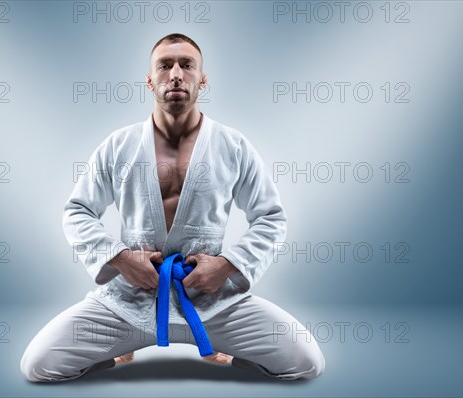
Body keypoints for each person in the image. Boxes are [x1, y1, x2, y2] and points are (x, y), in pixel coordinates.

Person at [20, 33, 325, 382]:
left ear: (202, 79)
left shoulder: (232, 145)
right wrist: (122, 259)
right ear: (150, 80)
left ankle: (224, 351)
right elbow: (77, 211)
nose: (176, 74)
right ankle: (118, 353)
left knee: (306, 361)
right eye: (165, 66)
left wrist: (225, 267)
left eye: (187, 65)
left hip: (211, 299)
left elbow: (271, 217)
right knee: (39, 364)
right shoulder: (119, 145)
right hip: (132, 298)